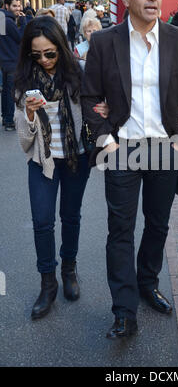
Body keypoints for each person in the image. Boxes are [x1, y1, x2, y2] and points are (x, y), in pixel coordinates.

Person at [81, 0, 178, 339]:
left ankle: (147, 284)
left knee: (158, 223)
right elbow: (89, 97)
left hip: (166, 147)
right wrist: (107, 142)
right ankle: (123, 310)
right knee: (120, 230)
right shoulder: (104, 42)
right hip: (122, 148)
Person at [14, 16, 91, 320]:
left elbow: (93, 115)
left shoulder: (79, 75)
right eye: (37, 55)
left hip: (77, 158)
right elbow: (24, 141)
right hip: (42, 162)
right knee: (42, 222)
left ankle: (69, 268)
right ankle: (48, 283)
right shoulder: (23, 83)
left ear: (61, 48)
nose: (44, 60)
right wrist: (30, 116)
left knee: (70, 217)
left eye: (50, 53)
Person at [0, 0, 26, 131]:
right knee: (10, 93)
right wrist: (23, 21)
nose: (17, 8)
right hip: (11, 60)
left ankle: (6, 117)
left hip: (5, 60)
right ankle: (9, 120)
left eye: (19, 5)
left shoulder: (3, 19)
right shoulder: (8, 21)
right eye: (14, 6)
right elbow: (21, 37)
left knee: (6, 92)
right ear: (7, 6)